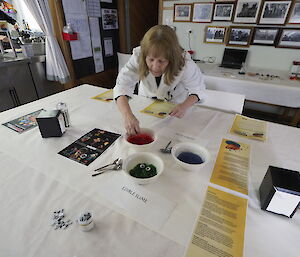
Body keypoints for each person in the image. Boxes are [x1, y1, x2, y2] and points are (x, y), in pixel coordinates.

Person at [114, 25, 206, 135]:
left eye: (161, 61)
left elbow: (198, 90)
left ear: (171, 58)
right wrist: (127, 115)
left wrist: (183, 106)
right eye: (151, 59)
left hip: (176, 107)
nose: (155, 66)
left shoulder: (184, 63)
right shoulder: (138, 56)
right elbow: (122, 86)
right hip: (146, 102)